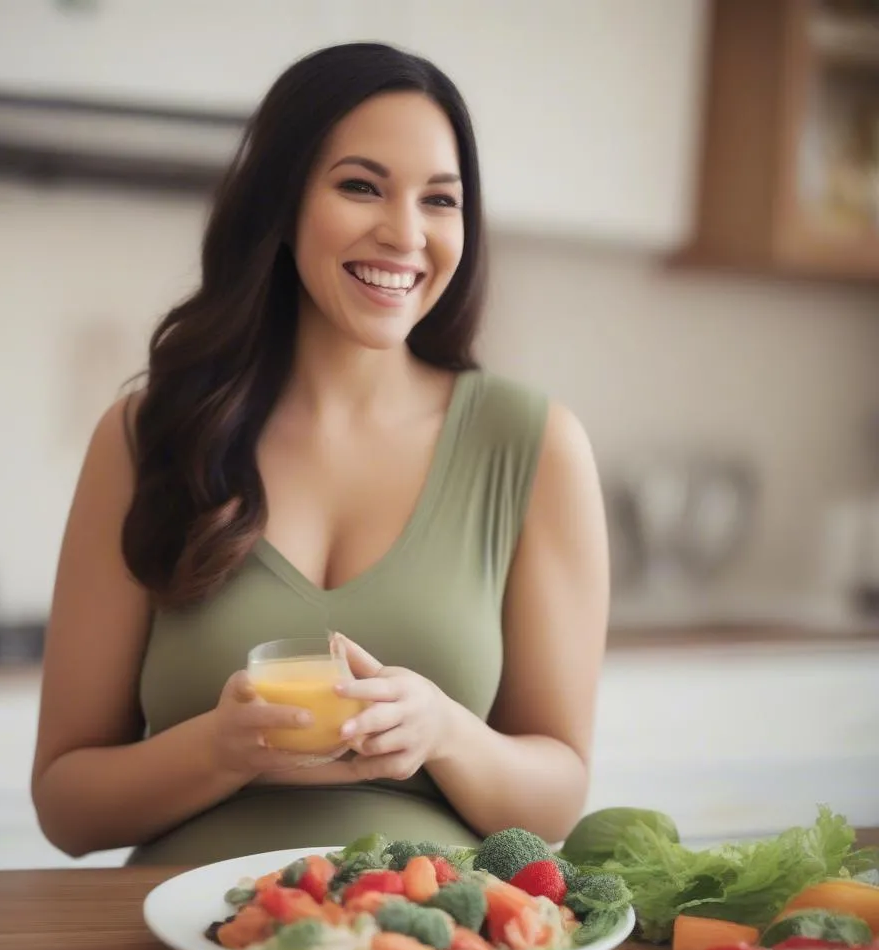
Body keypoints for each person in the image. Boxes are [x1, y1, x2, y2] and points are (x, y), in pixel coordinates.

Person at [30, 41, 610, 867]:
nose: (405, 233)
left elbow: (556, 794)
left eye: (440, 200)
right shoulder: (145, 436)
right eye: (361, 186)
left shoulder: (536, 447)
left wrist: (444, 733)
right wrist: (220, 751)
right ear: (282, 203)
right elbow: (66, 806)